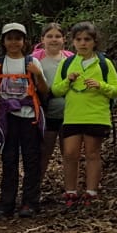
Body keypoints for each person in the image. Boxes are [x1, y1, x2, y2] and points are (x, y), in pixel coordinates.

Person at [0, 22, 49, 219]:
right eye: (10, 38)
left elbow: (44, 91)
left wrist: (38, 74)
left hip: (30, 119)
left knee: (31, 160)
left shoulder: (32, 62)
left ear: (24, 41)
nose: (14, 42)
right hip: (7, 120)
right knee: (9, 160)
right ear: (3, 41)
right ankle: (6, 203)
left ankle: (30, 203)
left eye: (18, 38)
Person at [51, 22, 117, 209]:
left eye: (87, 40)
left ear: (94, 42)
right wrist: (68, 80)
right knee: (69, 153)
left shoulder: (104, 63)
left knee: (92, 154)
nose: (83, 43)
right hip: (73, 116)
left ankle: (91, 192)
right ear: (73, 42)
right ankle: (70, 192)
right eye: (79, 39)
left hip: (96, 115)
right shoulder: (67, 63)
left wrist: (101, 85)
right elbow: (56, 90)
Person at [33, 23, 74, 185]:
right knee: (43, 153)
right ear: (42, 39)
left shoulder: (71, 58)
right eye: (49, 36)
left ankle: (70, 189)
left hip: (69, 113)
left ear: (64, 39)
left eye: (57, 36)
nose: (53, 39)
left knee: (70, 154)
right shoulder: (36, 59)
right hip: (46, 113)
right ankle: (35, 189)